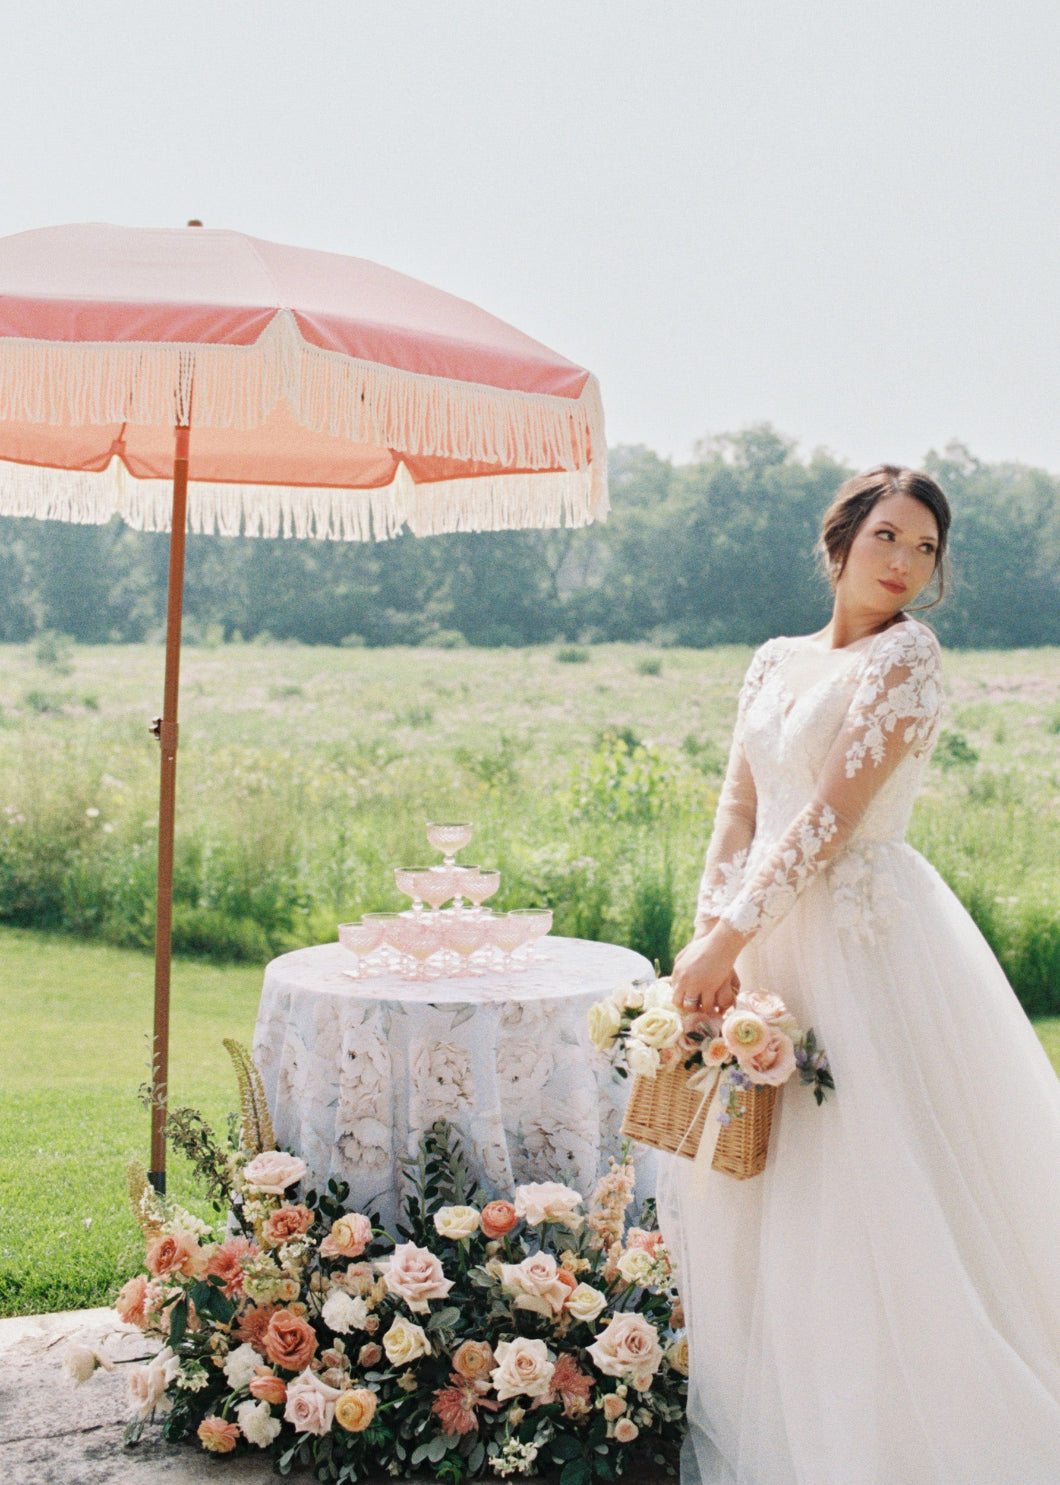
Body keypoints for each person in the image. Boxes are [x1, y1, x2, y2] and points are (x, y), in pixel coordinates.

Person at [657, 466, 1060, 1484]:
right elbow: (738, 807)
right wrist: (715, 936)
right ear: (839, 541)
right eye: (888, 537)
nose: (905, 563)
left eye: (925, 549)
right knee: (757, 1169)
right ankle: (766, 1399)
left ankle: (890, 1426)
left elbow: (828, 822)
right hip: (761, 938)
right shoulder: (772, 661)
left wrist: (727, 937)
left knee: (867, 1175)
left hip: (864, 939)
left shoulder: (908, 659)